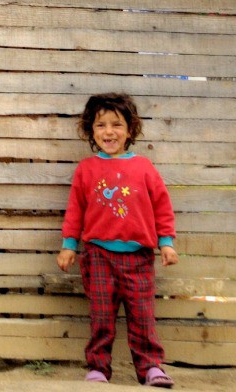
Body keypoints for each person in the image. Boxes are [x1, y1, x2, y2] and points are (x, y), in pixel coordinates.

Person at [58, 92, 178, 386]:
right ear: (91, 130)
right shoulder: (86, 169)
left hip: (138, 257)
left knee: (142, 316)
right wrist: (69, 246)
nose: (109, 132)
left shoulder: (144, 167)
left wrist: (166, 242)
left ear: (130, 129)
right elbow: (75, 210)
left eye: (117, 125)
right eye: (100, 125)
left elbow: (162, 206)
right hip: (98, 255)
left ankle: (150, 367)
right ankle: (98, 367)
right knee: (101, 317)